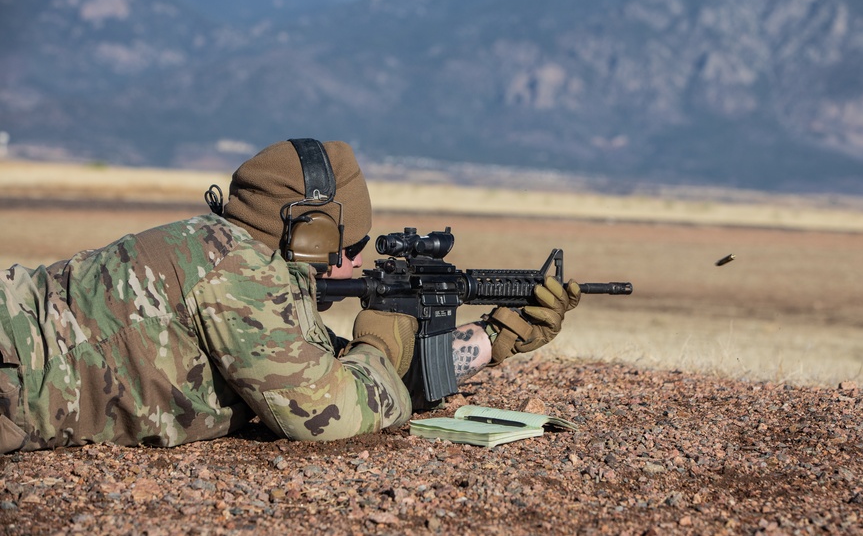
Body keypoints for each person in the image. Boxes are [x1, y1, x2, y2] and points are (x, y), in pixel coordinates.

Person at [0, 139, 581, 452]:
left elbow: (319, 367)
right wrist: (379, 340)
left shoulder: (241, 258)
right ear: (309, 235)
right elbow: (325, 412)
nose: (358, 261)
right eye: (351, 243)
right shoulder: (236, 274)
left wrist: (489, 339)